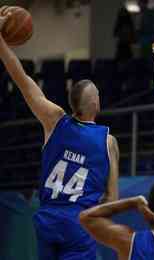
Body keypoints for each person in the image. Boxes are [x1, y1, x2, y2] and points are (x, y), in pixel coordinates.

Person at [0, 11, 120, 260]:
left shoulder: (54, 120)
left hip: (47, 219)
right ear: (96, 103)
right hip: (79, 221)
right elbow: (112, 198)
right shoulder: (108, 142)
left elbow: (21, 78)